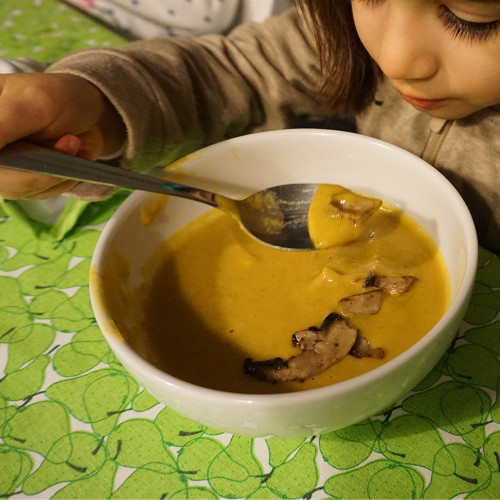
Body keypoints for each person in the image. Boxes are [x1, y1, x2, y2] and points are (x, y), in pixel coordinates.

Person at [0, 0, 498, 252]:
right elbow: (229, 72)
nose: (394, 57)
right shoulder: (334, 30)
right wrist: (99, 105)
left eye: (471, 17)